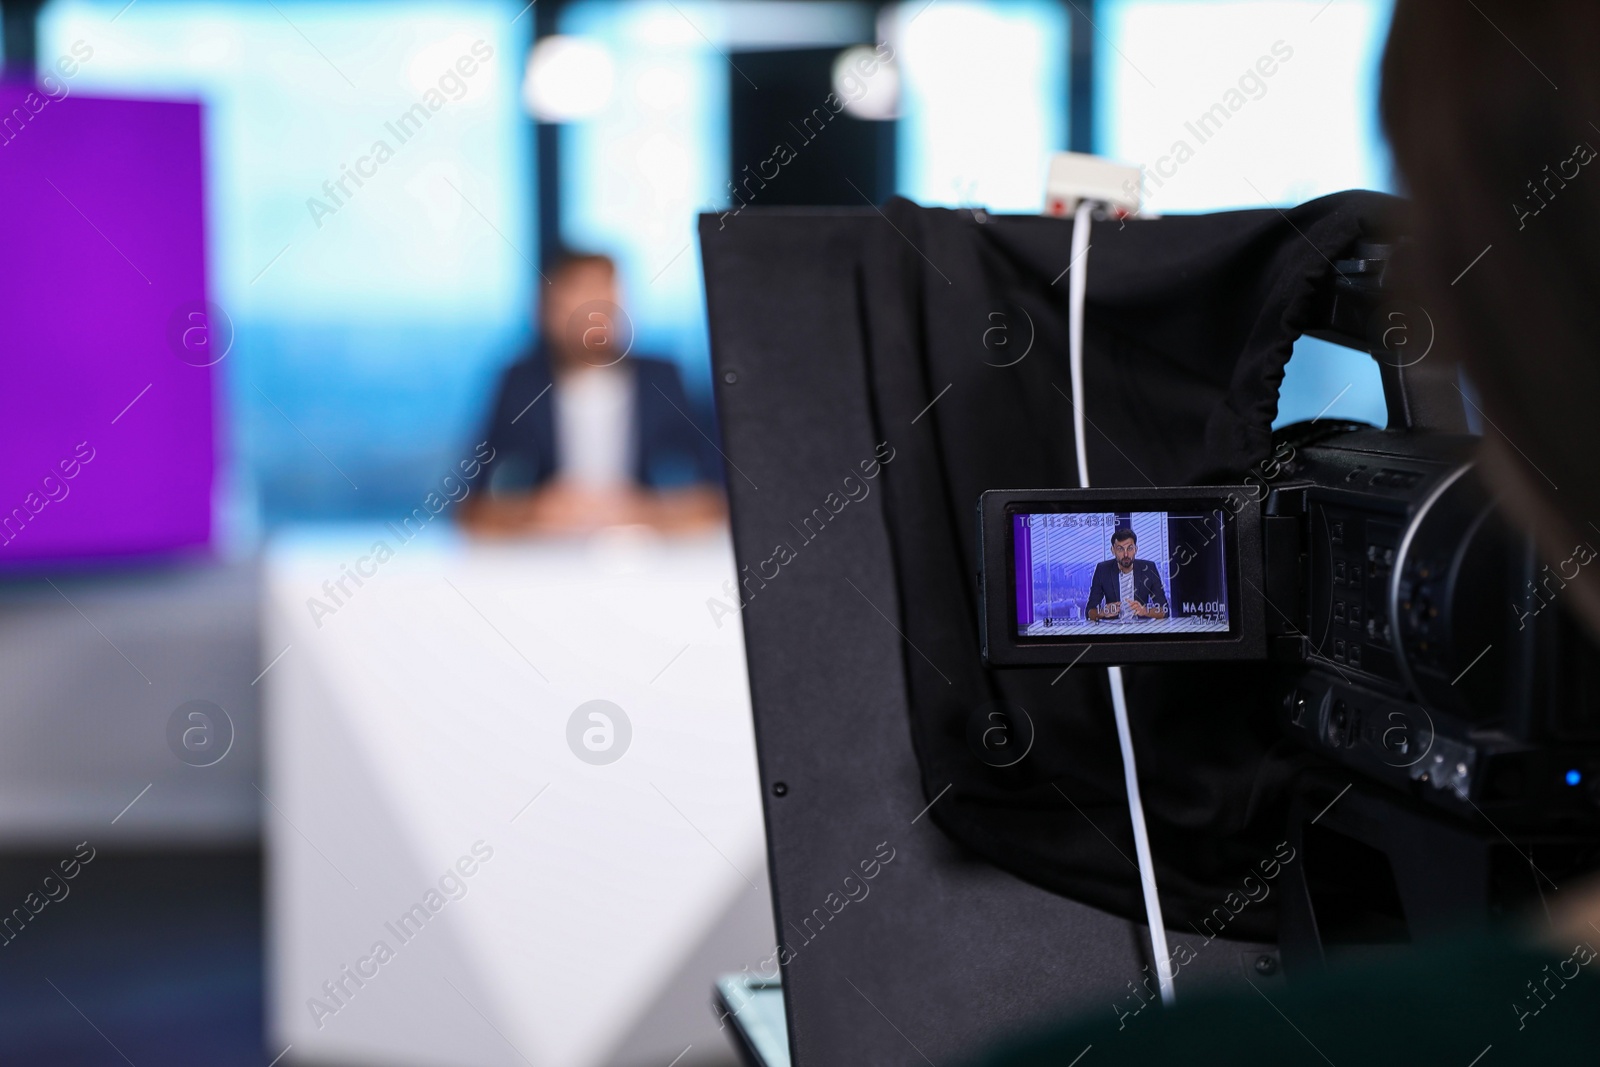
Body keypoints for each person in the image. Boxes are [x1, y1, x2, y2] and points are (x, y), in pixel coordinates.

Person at [459, 251, 727, 535]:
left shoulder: (662, 379)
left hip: (642, 547)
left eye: (607, 294)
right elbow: (471, 507)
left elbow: (716, 498)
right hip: (547, 550)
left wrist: (647, 509)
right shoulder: (520, 386)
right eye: (580, 295)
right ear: (546, 310)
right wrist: (534, 510)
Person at [1085, 527, 1168, 621]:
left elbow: (1164, 610)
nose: (1126, 554)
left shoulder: (1148, 569)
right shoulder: (1103, 570)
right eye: (1120, 549)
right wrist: (1103, 612)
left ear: (1136, 549)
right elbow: (1089, 612)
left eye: (1130, 548)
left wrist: (1145, 611)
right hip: (1113, 628)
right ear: (1113, 550)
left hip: (1142, 628)